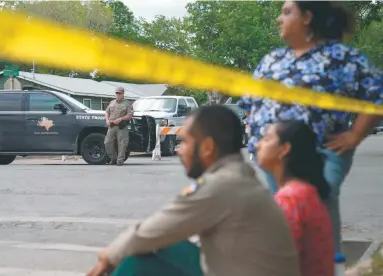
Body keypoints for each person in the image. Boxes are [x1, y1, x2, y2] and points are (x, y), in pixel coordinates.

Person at [237, 0, 383, 253]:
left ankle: (326, 265)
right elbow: (250, 103)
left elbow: (377, 97)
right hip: (275, 158)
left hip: (321, 153)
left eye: (286, 12)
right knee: (288, 218)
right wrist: (259, 135)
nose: (278, 20)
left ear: (306, 17)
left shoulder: (343, 58)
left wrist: (356, 134)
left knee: (315, 209)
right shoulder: (272, 59)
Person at [87, 105, 300, 276]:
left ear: (207, 147)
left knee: (137, 256)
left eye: (185, 142)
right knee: (155, 246)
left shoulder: (222, 185)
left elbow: (153, 230)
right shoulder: (238, 176)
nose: (179, 150)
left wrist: (109, 255)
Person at [256, 120, 335, 276]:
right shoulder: (305, 192)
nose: (258, 145)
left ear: (284, 149)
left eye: (266, 139)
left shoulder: (290, 199)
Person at [104, 87, 133, 166]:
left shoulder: (127, 104)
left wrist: (121, 119)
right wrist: (107, 120)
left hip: (121, 126)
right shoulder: (112, 102)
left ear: (123, 94)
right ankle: (113, 158)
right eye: (116, 93)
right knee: (107, 142)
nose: (118, 94)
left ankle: (120, 160)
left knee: (122, 144)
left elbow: (130, 115)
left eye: (119, 93)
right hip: (112, 125)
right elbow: (107, 112)